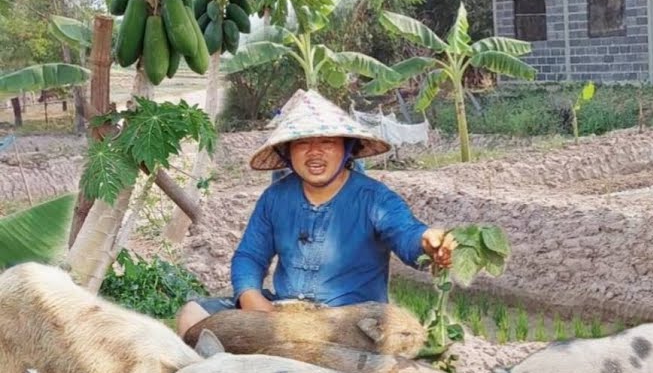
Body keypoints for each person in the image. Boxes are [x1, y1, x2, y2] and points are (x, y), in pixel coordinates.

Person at [174, 89, 455, 338]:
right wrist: (251, 298)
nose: (315, 153)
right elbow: (250, 255)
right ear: (287, 153)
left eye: (327, 143)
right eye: (303, 143)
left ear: (347, 149)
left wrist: (427, 241)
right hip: (282, 314)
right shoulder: (275, 198)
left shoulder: (374, 198)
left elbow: (405, 232)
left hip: (349, 323)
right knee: (192, 315)